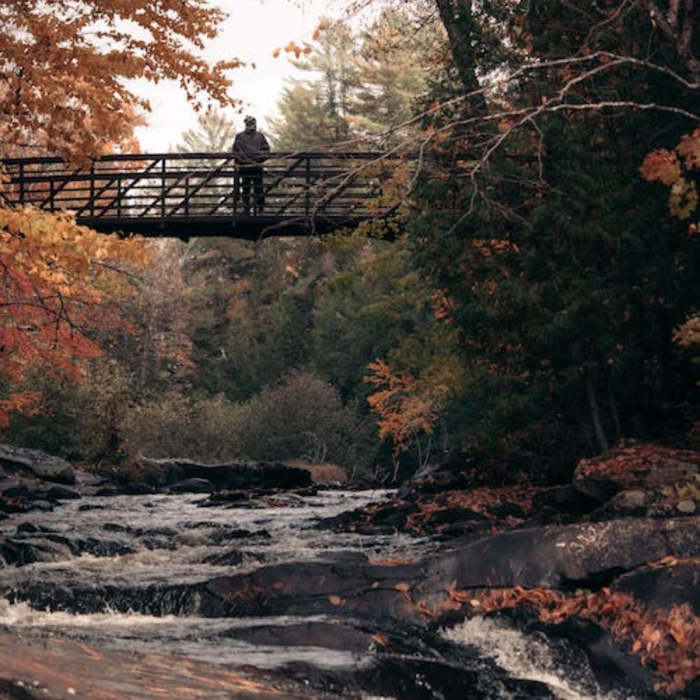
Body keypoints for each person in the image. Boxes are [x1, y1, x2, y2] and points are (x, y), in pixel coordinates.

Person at [232, 115, 270, 215]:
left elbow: (266, 150)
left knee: (259, 188)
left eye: (253, 123)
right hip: (245, 167)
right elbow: (235, 151)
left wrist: (259, 159)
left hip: (257, 166)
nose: (251, 126)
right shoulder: (239, 136)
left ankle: (260, 209)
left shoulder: (260, 136)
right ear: (246, 124)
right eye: (249, 124)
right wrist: (240, 162)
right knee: (246, 189)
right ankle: (247, 209)